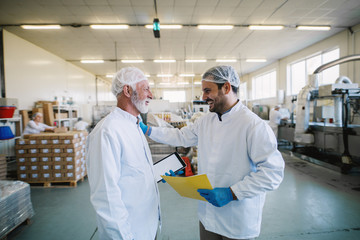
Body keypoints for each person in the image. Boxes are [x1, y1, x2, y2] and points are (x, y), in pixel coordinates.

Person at [140, 65, 285, 240]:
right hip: (208, 216)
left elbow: (273, 173)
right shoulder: (206, 121)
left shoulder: (253, 126)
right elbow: (181, 136)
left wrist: (231, 193)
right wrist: (148, 130)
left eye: (208, 91)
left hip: (237, 219)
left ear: (226, 87)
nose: (203, 97)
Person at [86, 67, 160, 240]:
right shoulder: (107, 132)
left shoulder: (134, 125)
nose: (151, 94)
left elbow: (131, 172)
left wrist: (155, 174)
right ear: (127, 90)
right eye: (146, 89)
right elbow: (106, 197)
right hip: (128, 233)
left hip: (147, 226)